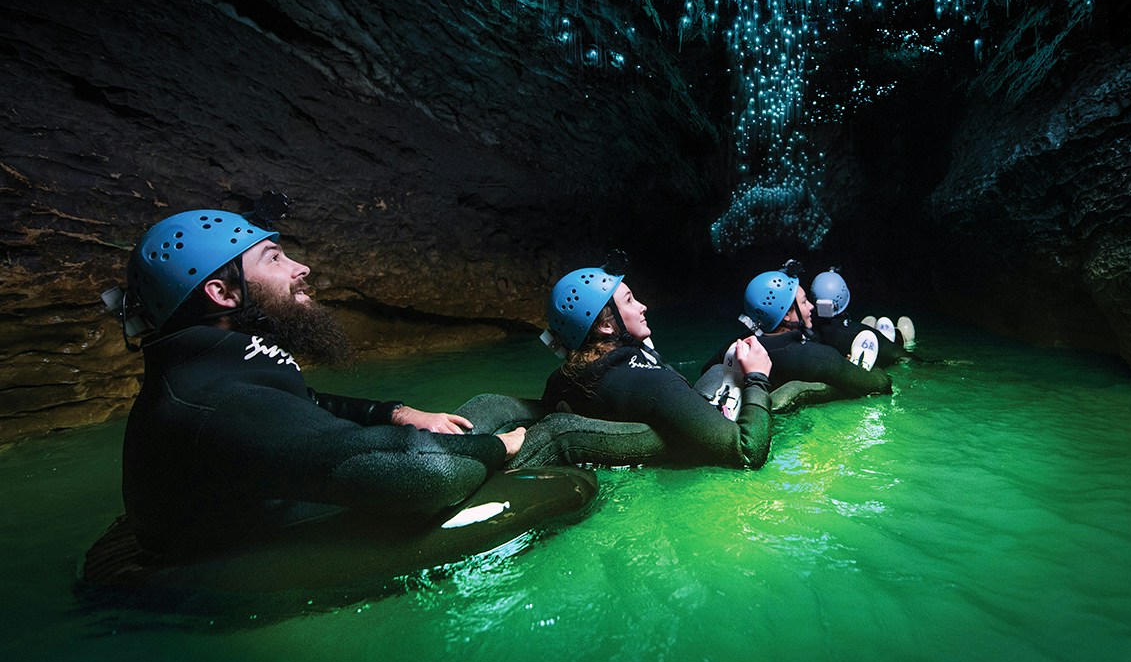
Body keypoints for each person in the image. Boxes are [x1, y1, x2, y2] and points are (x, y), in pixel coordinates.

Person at [107, 206, 531, 561]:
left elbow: (306, 403)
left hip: (266, 498)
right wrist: (501, 447)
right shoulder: (215, 399)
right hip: (226, 556)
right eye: (274, 259)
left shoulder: (216, 364)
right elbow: (422, 471)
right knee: (537, 437)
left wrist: (398, 413)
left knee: (493, 405)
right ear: (223, 293)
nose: (300, 268)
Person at [537, 254, 775, 469]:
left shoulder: (560, 380)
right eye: (629, 300)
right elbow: (748, 452)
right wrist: (757, 377)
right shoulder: (655, 384)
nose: (643, 306)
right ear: (606, 326)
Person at [703, 260, 892, 409]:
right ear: (786, 314)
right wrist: (877, 372)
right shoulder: (818, 358)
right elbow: (880, 386)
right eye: (804, 302)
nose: (811, 306)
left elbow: (706, 372)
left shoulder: (735, 348)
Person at [810, 267, 914, 366]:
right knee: (889, 345)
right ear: (845, 298)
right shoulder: (855, 332)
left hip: (837, 347)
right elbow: (902, 355)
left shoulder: (809, 331)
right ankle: (907, 342)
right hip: (875, 345)